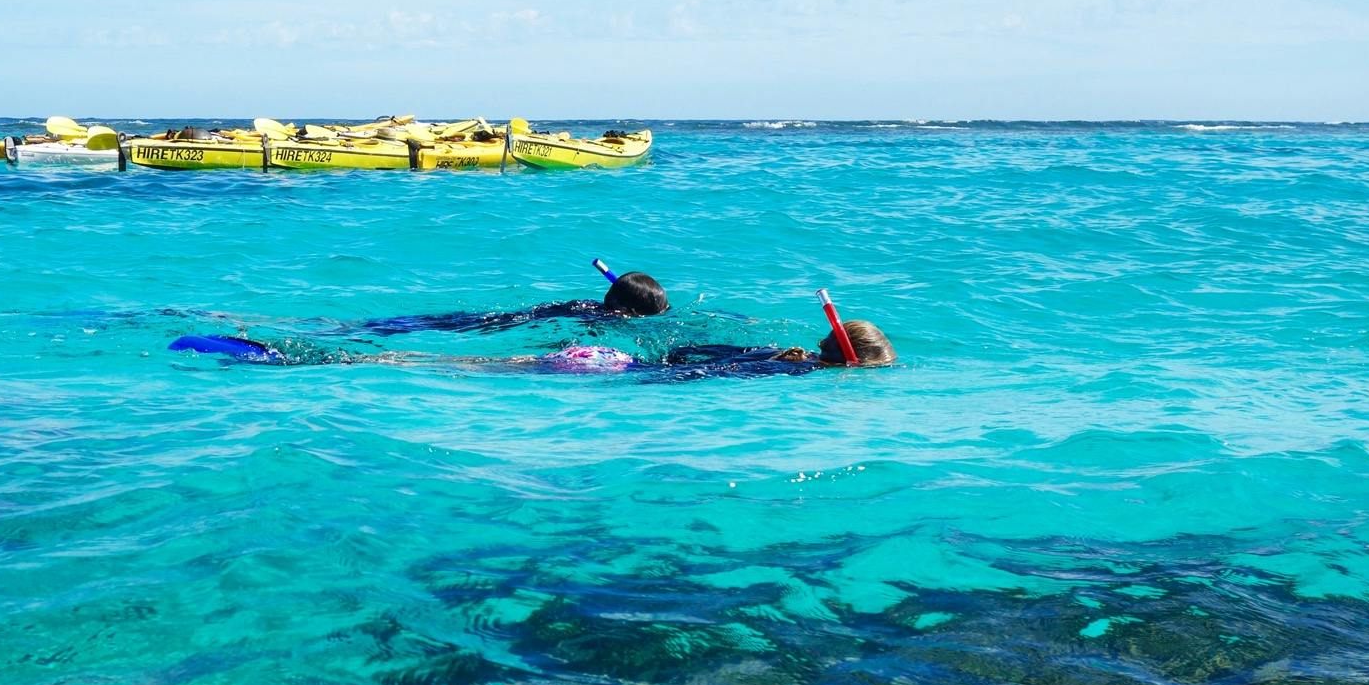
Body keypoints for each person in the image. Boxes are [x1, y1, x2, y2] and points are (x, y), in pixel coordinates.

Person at [170, 318, 895, 380]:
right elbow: (692, 377)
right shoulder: (783, 371)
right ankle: (268, 356)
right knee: (428, 367)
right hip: (606, 374)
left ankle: (269, 351)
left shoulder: (776, 352)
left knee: (445, 365)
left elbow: (692, 355)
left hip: (602, 359)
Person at [359, 270, 670, 336]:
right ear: (628, 312)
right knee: (447, 328)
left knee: (445, 323)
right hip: (524, 322)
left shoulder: (589, 306)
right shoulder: (606, 319)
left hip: (518, 316)